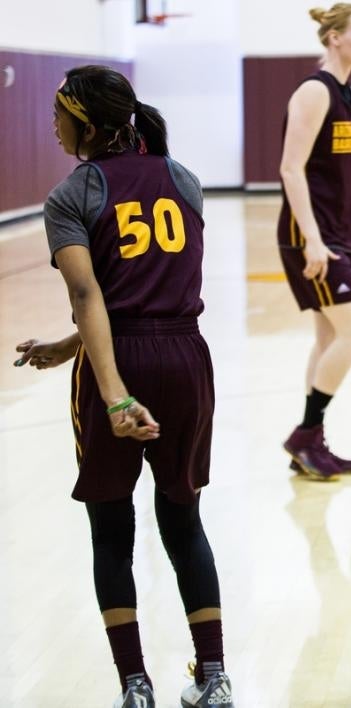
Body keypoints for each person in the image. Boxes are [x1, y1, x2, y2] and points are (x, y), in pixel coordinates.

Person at [13, 66, 233, 707]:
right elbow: (149, 294)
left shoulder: (71, 194)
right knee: (184, 521)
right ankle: (215, 678)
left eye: (59, 115)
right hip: (187, 358)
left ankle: (135, 687)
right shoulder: (184, 179)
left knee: (111, 532)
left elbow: (91, 296)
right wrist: (69, 344)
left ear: (84, 122)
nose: (52, 126)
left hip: (122, 367)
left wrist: (113, 394)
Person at [277, 3, 351, 481]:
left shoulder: (349, 93)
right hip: (310, 236)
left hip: (338, 233)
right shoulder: (314, 92)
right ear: (334, 38)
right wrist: (314, 243)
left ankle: (310, 445)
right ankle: (306, 434)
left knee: (328, 338)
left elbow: (350, 173)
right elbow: (290, 168)